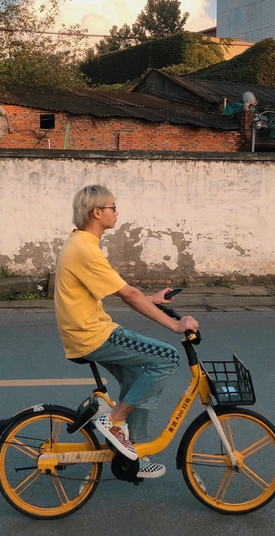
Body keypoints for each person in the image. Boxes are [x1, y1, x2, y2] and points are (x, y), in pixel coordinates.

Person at [54, 184, 199, 480]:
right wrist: (175, 325)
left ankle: (135, 452)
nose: (117, 212)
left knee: (137, 379)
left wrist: (152, 300)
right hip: (93, 334)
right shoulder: (85, 249)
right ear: (97, 212)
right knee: (168, 357)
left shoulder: (80, 242)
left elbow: (120, 289)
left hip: (86, 332)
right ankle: (114, 421)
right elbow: (129, 295)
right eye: (113, 207)